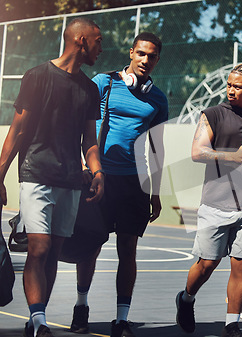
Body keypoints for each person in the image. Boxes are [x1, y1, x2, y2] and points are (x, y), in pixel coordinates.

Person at [0, 18, 104, 337]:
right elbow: (17, 131)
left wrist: (97, 170)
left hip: (71, 179)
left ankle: (37, 319)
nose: (102, 47)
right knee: (40, 247)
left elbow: (89, 140)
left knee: (55, 252)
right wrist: (0, 175)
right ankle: (40, 320)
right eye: (98, 41)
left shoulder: (88, 88)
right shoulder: (37, 76)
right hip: (36, 173)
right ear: (81, 41)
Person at [68, 32, 168, 337]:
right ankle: (81, 305)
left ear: (157, 60)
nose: (146, 60)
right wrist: (85, 168)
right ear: (131, 53)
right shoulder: (104, 83)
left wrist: (156, 190)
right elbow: (80, 127)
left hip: (134, 183)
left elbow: (157, 148)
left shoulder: (158, 99)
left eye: (151, 56)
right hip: (100, 178)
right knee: (90, 246)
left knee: (128, 248)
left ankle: (121, 319)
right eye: (141, 54)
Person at [175, 63, 242, 337]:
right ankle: (186, 299)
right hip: (215, 203)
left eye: (238, 86)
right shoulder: (213, 114)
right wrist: (234, 156)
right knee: (207, 265)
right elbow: (198, 152)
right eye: (229, 84)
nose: (230, 90)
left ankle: (231, 325)